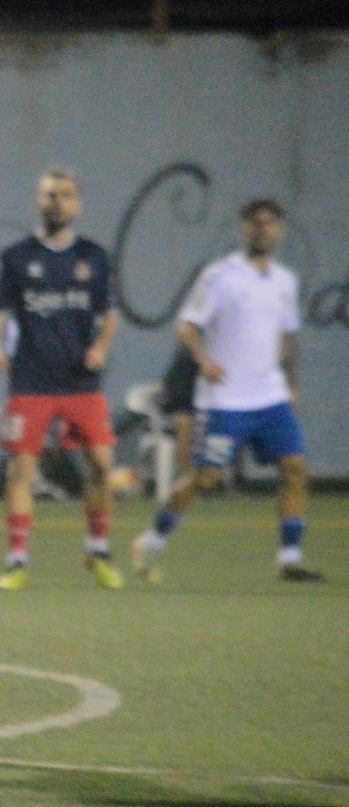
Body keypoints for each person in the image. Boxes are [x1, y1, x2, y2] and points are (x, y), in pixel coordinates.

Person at [131, 199, 325, 583]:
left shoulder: (286, 280)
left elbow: (287, 339)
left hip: (270, 398)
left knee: (296, 470)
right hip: (227, 401)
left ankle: (289, 559)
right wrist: (203, 360)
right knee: (206, 479)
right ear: (243, 229)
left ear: (279, 231)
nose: (262, 230)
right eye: (255, 223)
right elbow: (187, 324)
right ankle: (151, 540)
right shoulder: (220, 276)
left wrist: (292, 386)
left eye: (269, 224)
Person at [0, 168, 124, 591]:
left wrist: (100, 347)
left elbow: (110, 313)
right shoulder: (17, 257)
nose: (56, 203)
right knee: (21, 470)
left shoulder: (94, 257)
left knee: (101, 463)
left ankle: (97, 549)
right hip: (32, 380)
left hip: (81, 382)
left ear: (77, 204)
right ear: (38, 201)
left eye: (64, 196)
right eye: (49, 195)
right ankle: (16, 560)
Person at [156, 341, 199, 486]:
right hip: (182, 412)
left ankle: (236, 481)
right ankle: (188, 478)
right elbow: (172, 396)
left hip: (213, 412)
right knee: (183, 422)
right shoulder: (184, 359)